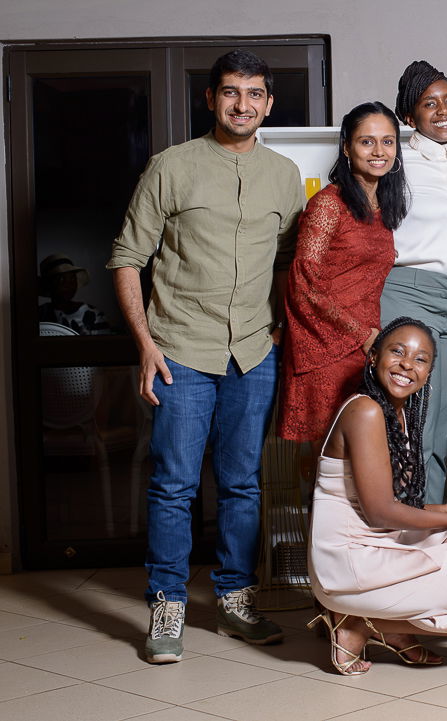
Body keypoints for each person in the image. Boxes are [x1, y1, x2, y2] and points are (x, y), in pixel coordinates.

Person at [108, 49, 305, 663]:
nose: (242, 104)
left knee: (244, 485)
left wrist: (278, 331)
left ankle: (235, 602)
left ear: (269, 104)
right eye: (230, 92)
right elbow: (127, 258)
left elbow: (287, 261)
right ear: (211, 99)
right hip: (181, 351)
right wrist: (146, 346)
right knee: (175, 485)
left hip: (253, 351)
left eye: (254, 93)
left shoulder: (284, 175)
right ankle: (167, 605)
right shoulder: (171, 167)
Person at [307, 317, 447, 675]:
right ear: (374, 356)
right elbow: (380, 513)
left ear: (429, 372)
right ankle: (358, 624)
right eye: (397, 352)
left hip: (381, 541)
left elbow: (391, 501)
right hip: (350, 560)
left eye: (420, 359)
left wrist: (446, 509)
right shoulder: (364, 410)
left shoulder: (397, 413)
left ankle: (380, 625)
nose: (407, 365)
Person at [381, 60, 447, 504]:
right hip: (408, 295)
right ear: (410, 116)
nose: (444, 111)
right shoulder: (394, 163)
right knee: (413, 420)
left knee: (446, 425)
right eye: (430, 103)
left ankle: (432, 521)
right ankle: (404, 523)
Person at [279, 102, 405, 442]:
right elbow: (304, 285)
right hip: (327, 348)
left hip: (365, 349)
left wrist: (369, 339)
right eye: (367, 142)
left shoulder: (382, 208)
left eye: (388, 141)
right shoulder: (328, 204)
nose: (379, 151)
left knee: (363, 453)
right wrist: (361, 334)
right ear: (347, 148)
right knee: (332, 456)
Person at [37, 253, 110, 335]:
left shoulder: (93, 315)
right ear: (48, 284)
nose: (68, 284)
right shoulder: (40, 314)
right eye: (61, 279)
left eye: (72, 279)